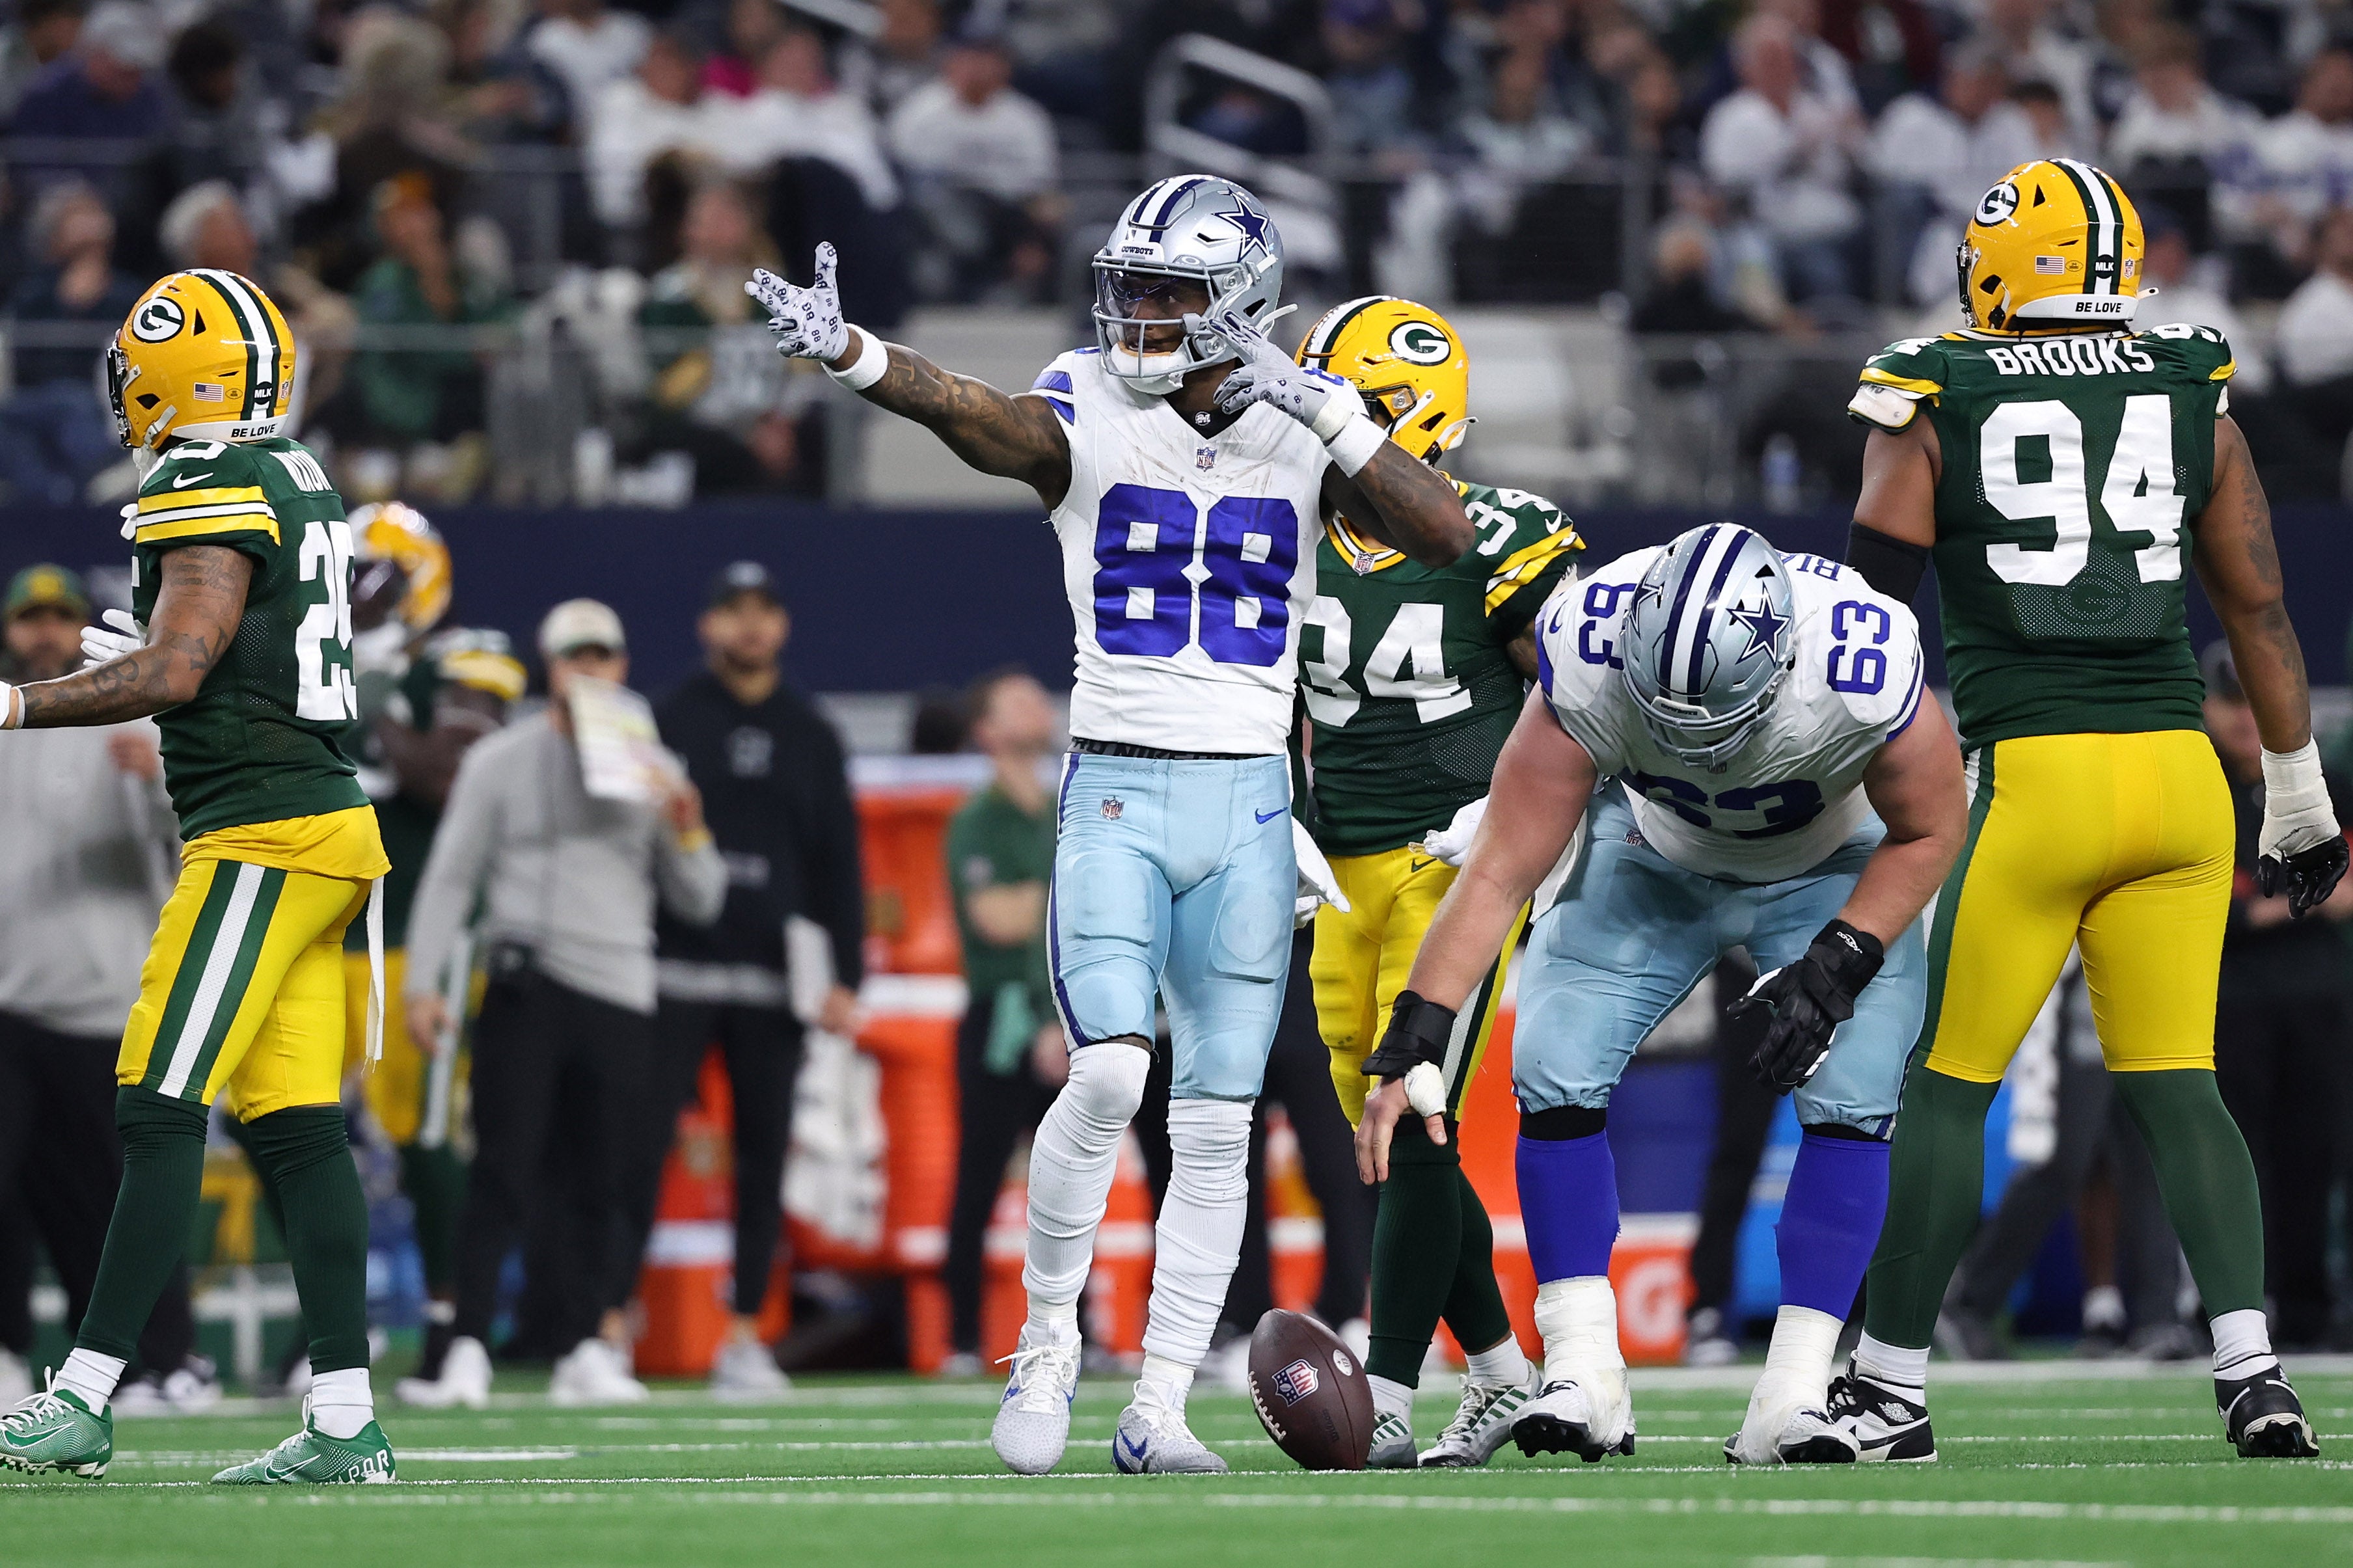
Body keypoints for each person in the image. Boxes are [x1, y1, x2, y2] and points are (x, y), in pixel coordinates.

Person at [746, 173, 1473, 1473]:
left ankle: (1160, 1408)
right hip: (1122, 785)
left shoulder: (1300, 425)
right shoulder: (1088, 400)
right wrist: (855, 356)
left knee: (1213, 1121)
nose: (1134, 313)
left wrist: (1332, 416)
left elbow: (1443, 533)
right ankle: (1045, 1346)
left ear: (1237, 304)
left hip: (1250, 799)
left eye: (1165, 292)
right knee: (1107, 1072)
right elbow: (980, 420)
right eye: (1128, 286)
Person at [1842, 157, 2347, 1459]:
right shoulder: (2191, 385)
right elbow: (2257, 605)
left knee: (1946, 1086)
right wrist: (2293, 790)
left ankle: (1886, 1384)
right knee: (2180, 1084)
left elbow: (1867, 615)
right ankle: (2252, 1368)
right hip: (2181, 779)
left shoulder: (1931, 390)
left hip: (2037, 773)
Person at [1365, 524, 1963, 1467]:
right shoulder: (1590, 637)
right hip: (1656, 850)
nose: (1699, 743)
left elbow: (1931, 827)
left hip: (1828, 863)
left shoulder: (1861, 656)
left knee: (1853, 1092)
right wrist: (1418, 1027)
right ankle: (1581, 1368)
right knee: (1552, 1063)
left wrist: (1845, 956)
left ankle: (1795, 1393)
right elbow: (1500, 867)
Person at [0, 269, 398, 1485]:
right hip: (327, 828)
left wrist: (19, 701)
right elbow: (226, 648)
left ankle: (84, 1393)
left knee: (156, 1101)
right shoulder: (294, 469)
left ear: (182, 372)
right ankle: (343, 1423)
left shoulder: (203, 476)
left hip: (264, 834)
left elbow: (178, 667)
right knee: (292, 1129)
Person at [1288, 295, 1585, 1468]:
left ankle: (1391, 1385)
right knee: (1394, 1135)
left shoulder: (1502, 533)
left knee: (1407, 1104)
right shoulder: (1292, 521)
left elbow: (1589, 692)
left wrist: (1519, 814)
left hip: (1455, 861)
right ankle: (1505, 1372)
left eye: (1337, 400)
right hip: (1338, 865)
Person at [396, 599, 727, 1409]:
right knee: (502, 1167)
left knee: (604, 1179)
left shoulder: (654, 765)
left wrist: (688, 828)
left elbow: (702, 899)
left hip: (618, 986)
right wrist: (423, 983)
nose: (590, 670)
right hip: (527, 978)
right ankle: (468, 1345)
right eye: (575, 656)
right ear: (550, 668)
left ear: (620, 665)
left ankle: (586, 1341)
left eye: (604, 656)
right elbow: (449, 874)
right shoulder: (501, 760)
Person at [625, 561, 865, 1398]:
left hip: (773, 976)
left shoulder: (812, 729)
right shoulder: (666, 718)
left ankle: (743, 1335)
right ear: (708, 625)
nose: (751, 626)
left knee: (764, 1162)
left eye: (766, 610)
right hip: (675, 965)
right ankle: (605, 1331)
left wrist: (846, 974)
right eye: (735, 610)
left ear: (783, 626)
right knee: (637, 1145)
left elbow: (839, 858)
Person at [0, 565, 214, 1414]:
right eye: (30, 617)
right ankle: (8, 1354)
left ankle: (158, 1361)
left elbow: (207, 824)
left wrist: (163, 780)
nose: (46, 630)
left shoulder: (140, 717)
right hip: (8, 1001)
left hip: (109, 1003)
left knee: (114, 1199)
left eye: (61, 615)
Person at [2201, 642, 2353, 1348]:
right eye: (2233, 702)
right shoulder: (2199, 788)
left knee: (2312, 1154)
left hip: (2316, 997)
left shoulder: (2319, 783)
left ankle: (2309, 1310)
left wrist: (2268, 903)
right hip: (2229, 1000)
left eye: (2256, 702)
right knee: (2236, 1157)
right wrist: (2301, 898)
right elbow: (2214, 905)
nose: (2244, 718)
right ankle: (2233, 1313)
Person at [940, 666, 1065, 1375]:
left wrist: (1035, 899)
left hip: (1061, 1008)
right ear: (986, 730)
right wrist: (1062, 893)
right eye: (1013, 698)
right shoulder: (975, 819)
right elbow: (993, 918)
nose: (1034, 703)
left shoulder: (1068, 806)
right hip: (999, 1017)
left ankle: (1073, 1332)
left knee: (1071, 1179)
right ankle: (960, 1337)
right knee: (979, 1176)